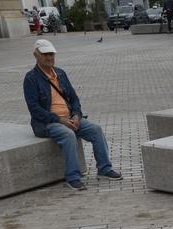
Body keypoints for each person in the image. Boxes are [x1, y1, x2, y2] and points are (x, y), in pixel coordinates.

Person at [23, 39, 122, 191]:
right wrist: (60, 120)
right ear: (36, 55)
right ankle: (73, 177)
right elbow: (34, 109)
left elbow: (74, 99)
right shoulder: (31, 78)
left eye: (51, 54)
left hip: (69, 118)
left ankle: (104, 168)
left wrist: (76, 115)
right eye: (45, 54)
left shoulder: (60, 73)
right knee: (68, 135)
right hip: (47, 123)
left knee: (96, 129)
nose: (49, 57)